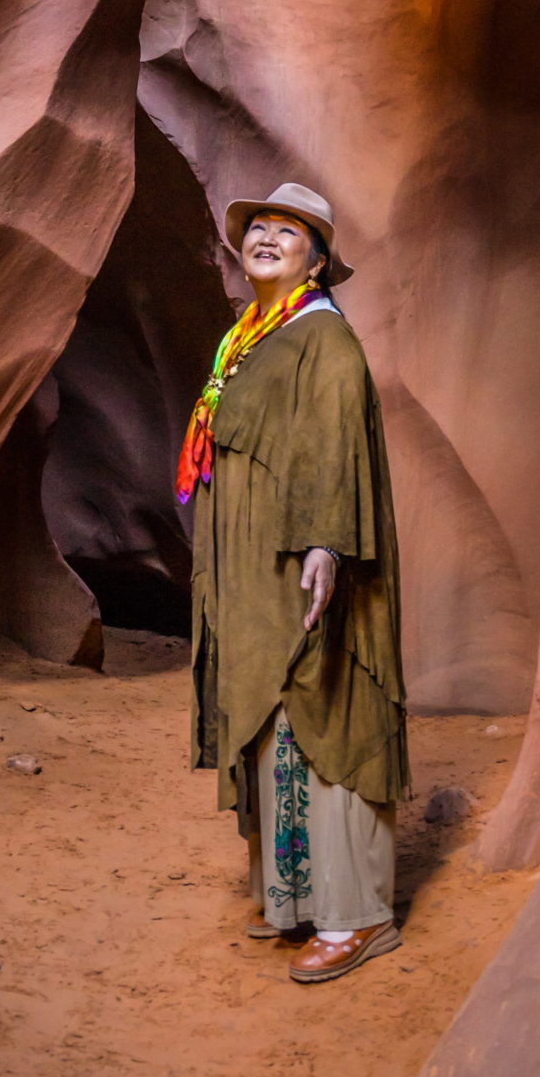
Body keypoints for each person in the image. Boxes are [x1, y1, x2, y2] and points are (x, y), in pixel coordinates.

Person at [178, 182, 408, 983]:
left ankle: (356, 916)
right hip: (252, 568)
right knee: (272, 717)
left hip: (298, 562)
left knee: (320, 710)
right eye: (258, 228)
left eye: (288, 231)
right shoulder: (249, 337)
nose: (267, 237)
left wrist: (325, 546)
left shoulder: (322, 337)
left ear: (316, 262)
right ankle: (293, 897)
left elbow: (335, 443)